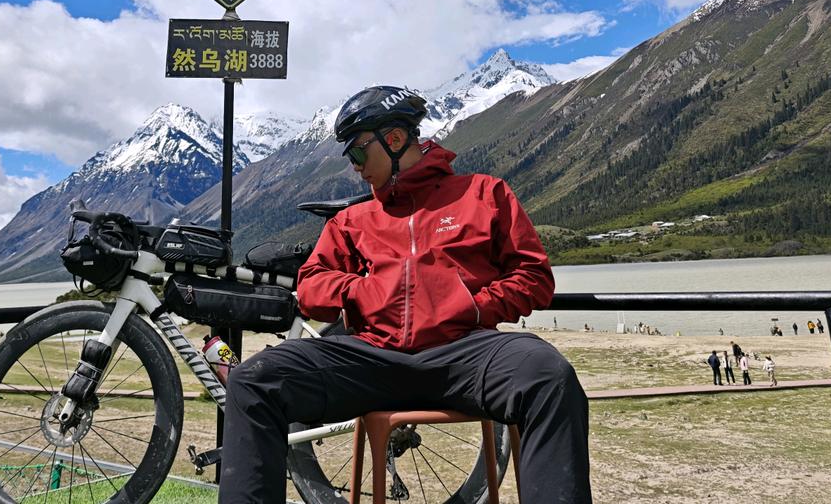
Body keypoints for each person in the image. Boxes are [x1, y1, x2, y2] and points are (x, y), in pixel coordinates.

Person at [218, 85, 592, 504]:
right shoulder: (351, 220)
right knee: (254, 380)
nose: (355, 167)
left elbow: (533, 277)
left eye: (358, 153)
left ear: (394, 140)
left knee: (548, 375)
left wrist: (474, 306)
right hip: (370, 358)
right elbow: (310, 285)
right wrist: (362, 291)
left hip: (463, 353)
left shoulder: (485, 194)